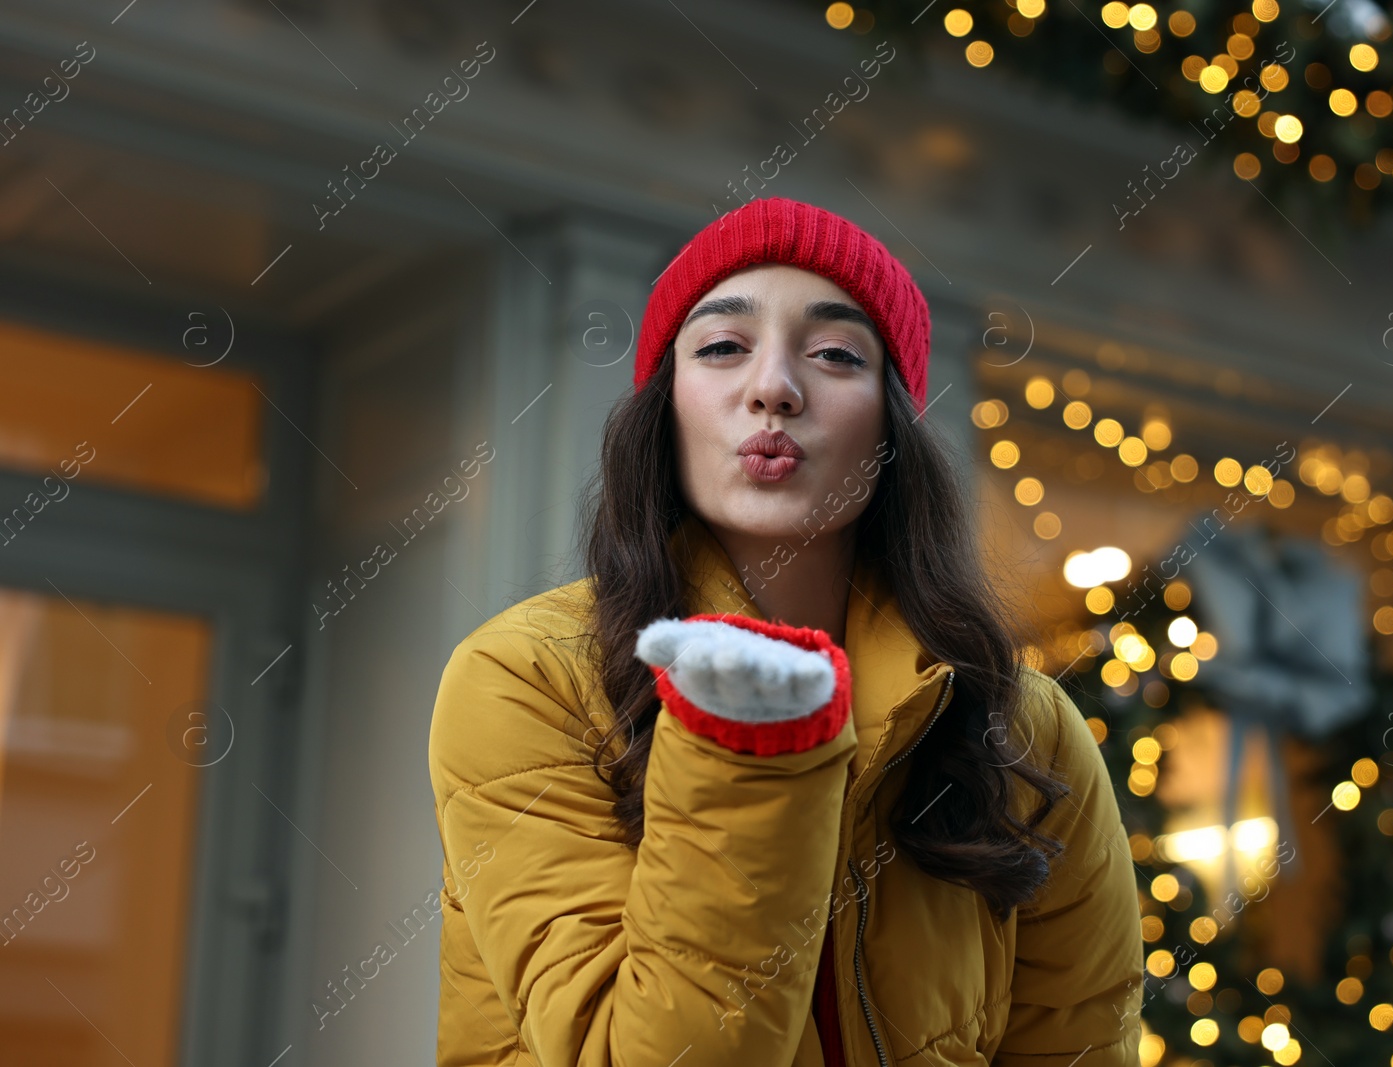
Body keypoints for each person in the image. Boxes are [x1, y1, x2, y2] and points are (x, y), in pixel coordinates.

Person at [427, 196, 1143, 1066]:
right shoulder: (524, 677)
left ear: (891, 426)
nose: (773, 387)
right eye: (723, 346)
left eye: (836, 354)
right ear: (666, 408)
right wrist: (748, 738)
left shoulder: (1021, 724)